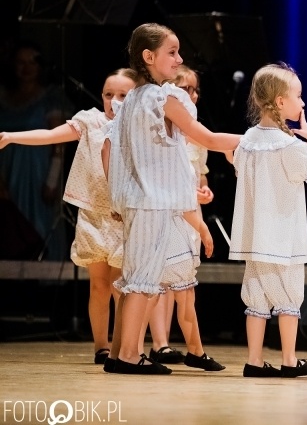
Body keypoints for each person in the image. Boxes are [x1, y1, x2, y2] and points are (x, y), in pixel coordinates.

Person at [102, 23, 239, 374]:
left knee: (136, 277)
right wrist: (253, 140)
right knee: (143, 281)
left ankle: (120, 352)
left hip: (137, 199)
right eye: (172, 53)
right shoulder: (162, 98)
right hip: (153, 200)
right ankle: (129, 356)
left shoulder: (133, 98)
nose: (179, 59)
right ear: (149, 57)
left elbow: (114, 149)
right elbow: (203, 136)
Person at [0, 68, 136, 363]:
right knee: (99, 285)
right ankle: (101, 345)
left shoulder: (139, 127)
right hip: (94, 214)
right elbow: (51, 135)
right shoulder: (91, 121)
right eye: (109, 94)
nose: (114, 101)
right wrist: (11, 136)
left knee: (120, 286)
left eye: (123, 95)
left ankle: (123, 349)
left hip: (126, 216)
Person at [229, 63, 307, 379]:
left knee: (255, 297)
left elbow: (240, 172)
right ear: (281, 102)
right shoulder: (291, 146)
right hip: (283, 237)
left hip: (255, 237)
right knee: (288, 298)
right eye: (298, 96)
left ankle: (254, 360)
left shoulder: (245, 142)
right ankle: (289, 359)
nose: (303, 103)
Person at [147, 65, 216, 365]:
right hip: (168, 211)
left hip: (190, 212)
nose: (191, 94)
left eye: (194, 89)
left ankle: (189, 346)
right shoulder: (163, 133)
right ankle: (160, 343)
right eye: (184, 88)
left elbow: (199, 176)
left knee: (184, 282)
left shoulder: (198, 137)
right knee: (161, 282)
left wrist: (204, 191)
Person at [0, 40, 73, 260]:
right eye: (21, 62)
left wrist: (52, 180)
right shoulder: (2, 96)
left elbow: (59, 141)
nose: (27, 67)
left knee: (38, 222)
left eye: (33, 61)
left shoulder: (50, 96)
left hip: (37, 172)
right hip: (7, 171)